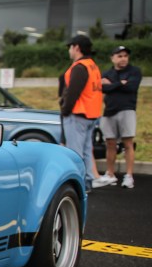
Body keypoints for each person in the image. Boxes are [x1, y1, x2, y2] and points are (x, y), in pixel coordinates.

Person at [93, 45, 142, 189]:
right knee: (110, 143)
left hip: (127, 110)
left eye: (125, 56)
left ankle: (129, 176)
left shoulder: (134, 71)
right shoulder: (107, 73)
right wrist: (120, 84)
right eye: (120, 56)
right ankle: (110, 174)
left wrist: (112, 85)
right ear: (112, 58)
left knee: (128, 143)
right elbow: (102, 88)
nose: (123, 59)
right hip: (109, 111)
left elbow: (131, 87)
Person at [59, 35, 103, 188]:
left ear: (76, 47)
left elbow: (72, 93)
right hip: (91, 114)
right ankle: (87, 182)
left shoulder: (79, 67)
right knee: (86, 151)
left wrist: (65, 110)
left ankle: (78, 185)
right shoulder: (92, 65)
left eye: (70, 47)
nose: (69, 50)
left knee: (75, 153)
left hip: (78, 114)